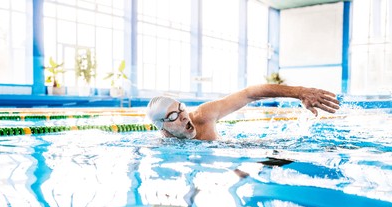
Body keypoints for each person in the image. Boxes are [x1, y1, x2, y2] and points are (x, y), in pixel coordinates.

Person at [146, 84, 340, 141]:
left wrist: (298, 92)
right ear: (163, 130)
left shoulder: (204, 116)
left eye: (181, 108)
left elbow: (249, 94)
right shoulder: (160, 149)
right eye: (173, 116)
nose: (182, 115)